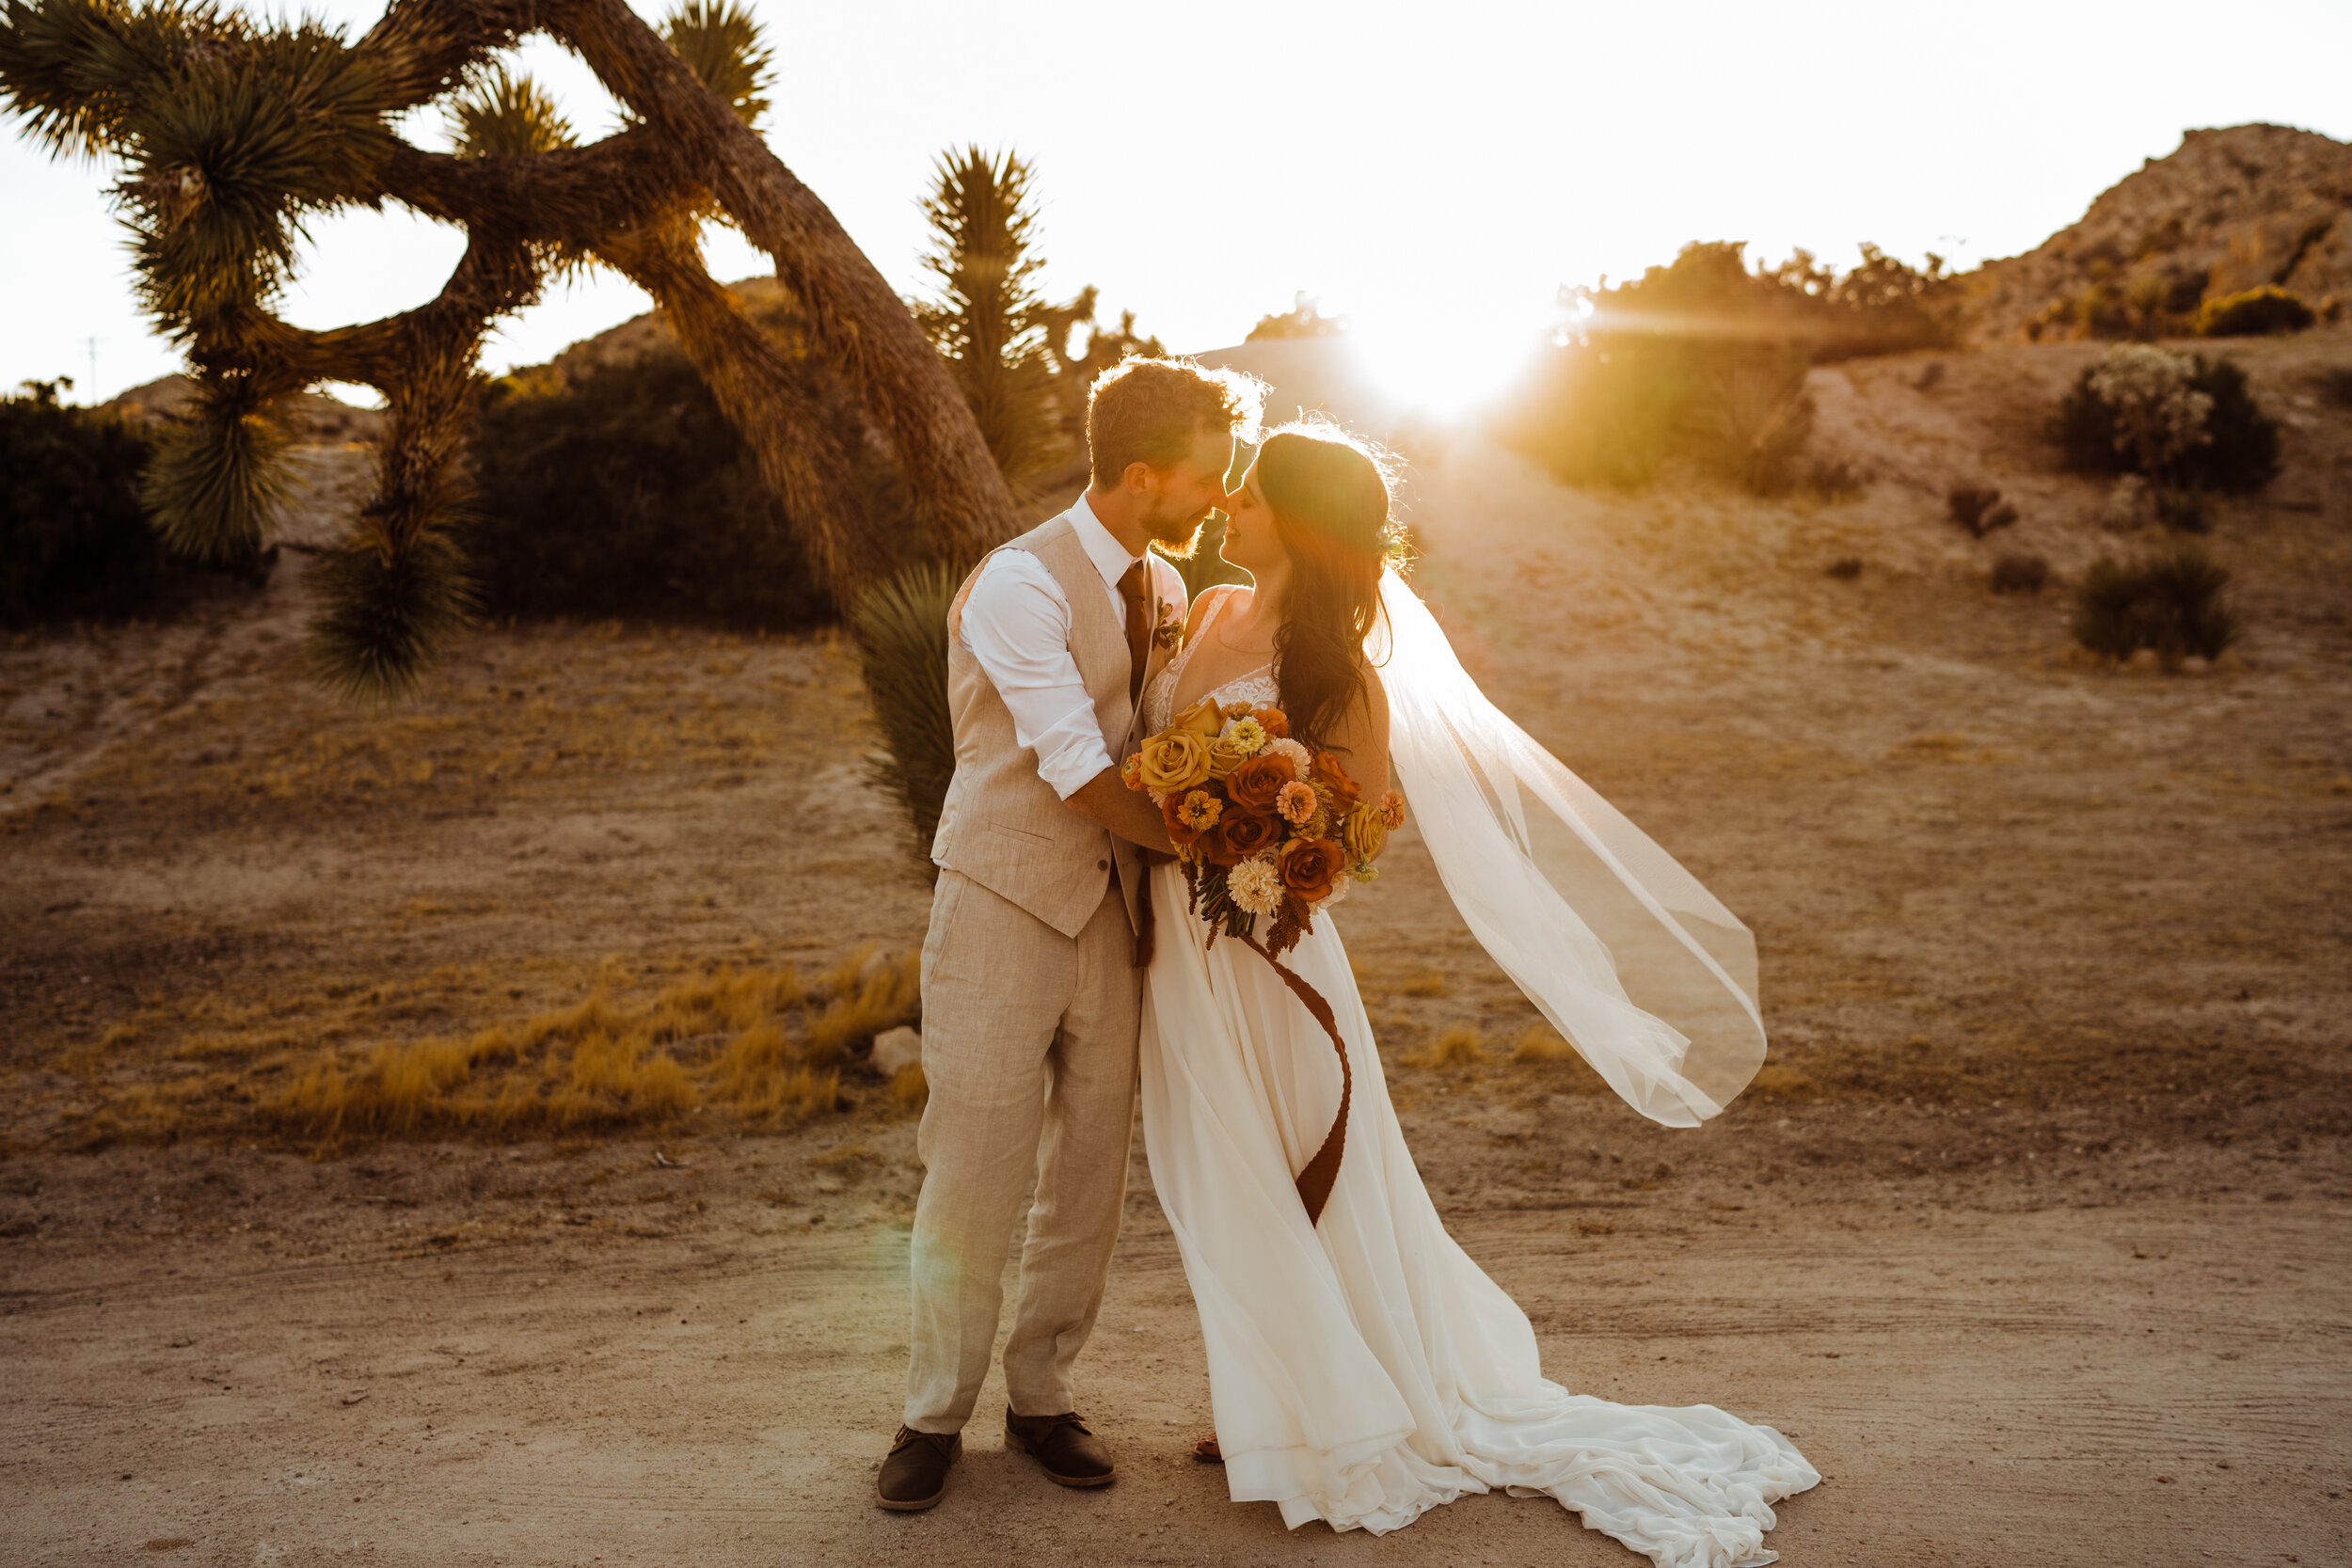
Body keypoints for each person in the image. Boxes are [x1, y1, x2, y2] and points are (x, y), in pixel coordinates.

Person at [1134, 424, 1820, 1563]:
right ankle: (1275, 1387)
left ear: (1298, 518)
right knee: (1213, 1174)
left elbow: (1352, 830)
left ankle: (1325, 1402)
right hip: (1173, 945)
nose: (1230, 505)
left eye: (1252, 493)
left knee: (1297, 1173)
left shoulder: (1340, 669)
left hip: (1265, 948)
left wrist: (1261, 833)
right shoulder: (1206, 614)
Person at [877, 356, 1262, 1511]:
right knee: (974, 1170)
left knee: (1088, 1173)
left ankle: (1042, 1396)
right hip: (1001, 901)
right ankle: (930, 1415)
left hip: (1119, 920)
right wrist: (1213, 855)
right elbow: (1077, 765)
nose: (1217, 501)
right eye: (1203, 479)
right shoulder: (1016, 584)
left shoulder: (1162, 583)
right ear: (1140, 474)